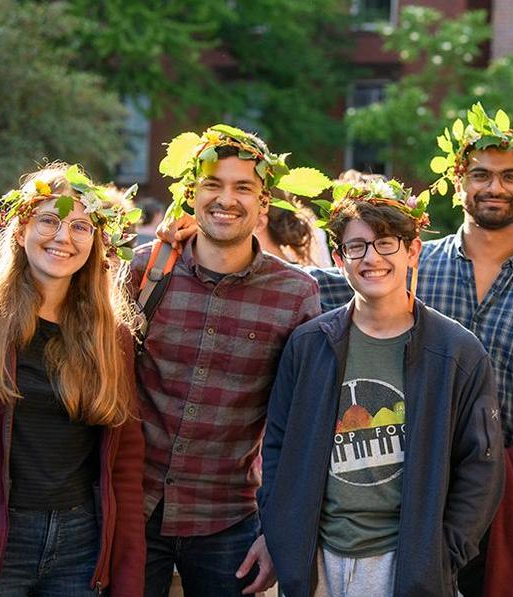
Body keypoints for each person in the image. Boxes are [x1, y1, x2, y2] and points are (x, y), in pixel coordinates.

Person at [314, 103, 513, 596]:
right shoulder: (408, 266)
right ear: (458, 180)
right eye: (481, 174)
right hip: (407, 486)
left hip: (512, 498)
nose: (495, 187)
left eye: (511, 176)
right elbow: (312, 286)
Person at [259, 178, 505, 597]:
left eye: (386, 243)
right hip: (318, 560)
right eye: (357, 246)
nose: (372, 258)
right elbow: (278, 447)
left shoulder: (457, 353)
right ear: (340, 258)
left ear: (413, 251)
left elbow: (480, 468)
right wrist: (284, 536)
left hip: (407, 563)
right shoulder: (308, 345)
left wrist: (442, 555)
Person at [0, 163, 146, 596]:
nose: (63, 237)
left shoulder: (110, 335)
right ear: (21, 230)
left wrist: (128, 582)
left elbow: (126, 465)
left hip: (81, 549)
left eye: (80, 226)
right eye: (49, 219)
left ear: (96, 243)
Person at [136, 123, 325, 597]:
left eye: (244, 187)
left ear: (264, 204)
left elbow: (300, 427)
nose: (227, 199)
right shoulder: (145, 269)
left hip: (228, 522)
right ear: (190, 195)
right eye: (212, 184)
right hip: (131, 510)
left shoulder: (295, 294)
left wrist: (275, 532)